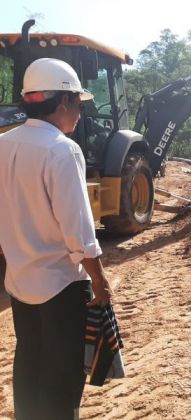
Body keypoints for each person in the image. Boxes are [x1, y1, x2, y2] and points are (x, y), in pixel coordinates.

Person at [0, 58, 112, 420]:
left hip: (19, 283)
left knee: (30, 364)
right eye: (78, 103)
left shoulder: (3, 145)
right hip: (62, 286)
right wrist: (99, 281)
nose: (80, 112)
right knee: (64, 380)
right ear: (63, 102)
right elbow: (77, 228)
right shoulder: (62, 149)